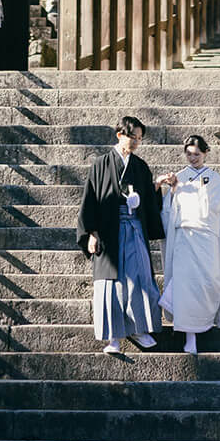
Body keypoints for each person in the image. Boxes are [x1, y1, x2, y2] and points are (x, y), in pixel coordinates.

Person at [76, 114, 165, 355]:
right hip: (107, 230)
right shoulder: (101, 164)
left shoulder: (140, 166)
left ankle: (140, 329)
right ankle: (113, 337)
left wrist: (155, 189)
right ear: (119, 135)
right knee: (110, 284)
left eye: (139, 138)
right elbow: (90, 200)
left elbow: (148, 200)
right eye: (132, 137)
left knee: (140, 277)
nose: (136, 142)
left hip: (134, 226)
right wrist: (91, 233)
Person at [159, 134, 220, 354]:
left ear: (205, 153)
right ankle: (189, 336)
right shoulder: (179, 176)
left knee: (208, 284)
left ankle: (200, 321)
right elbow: (169, 210)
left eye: (196, 154)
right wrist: (173, 189)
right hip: (185, 239)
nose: (192, 158)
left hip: (207, 240)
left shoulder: (215, 179)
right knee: (186, 285)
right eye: (188, 154)